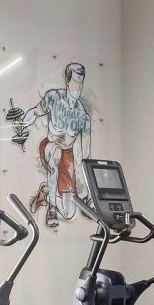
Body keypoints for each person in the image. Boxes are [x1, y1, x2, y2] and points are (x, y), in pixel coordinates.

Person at [20, 62, 92, 228]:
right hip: (50, 147)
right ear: (67, 81)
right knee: (56, 152)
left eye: (80, 82)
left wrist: (87, 190)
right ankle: (51, 208)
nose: (78, 87)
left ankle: (45, 193)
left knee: (68, 213)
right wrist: (21, 126)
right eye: (75, 82)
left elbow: (85, 157)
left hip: (67, 156)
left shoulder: (83, 116)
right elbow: (35, 112)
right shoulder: (54, 98)